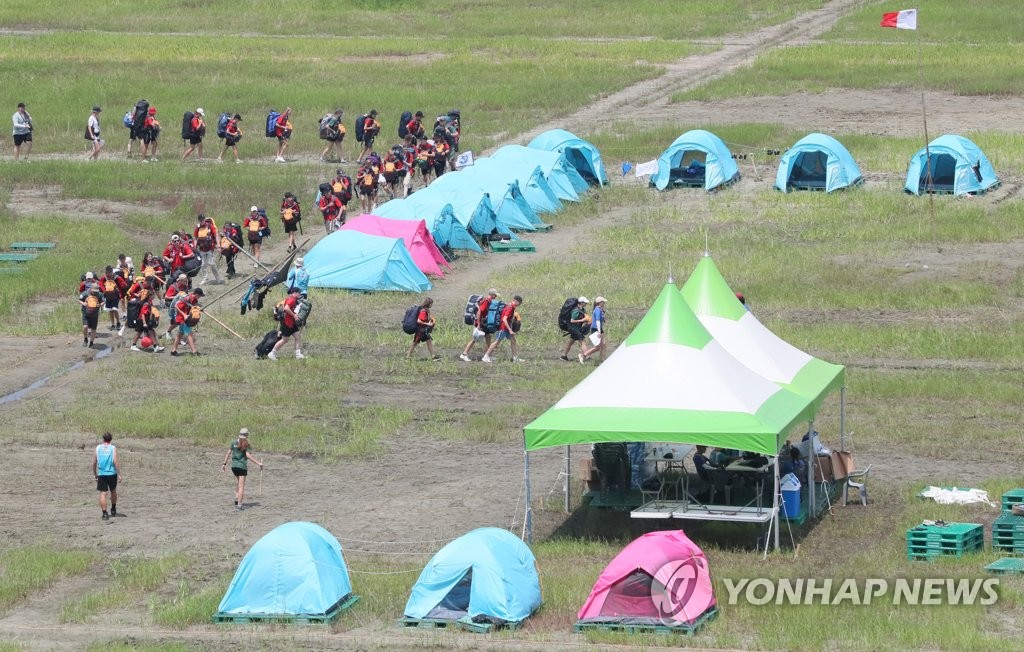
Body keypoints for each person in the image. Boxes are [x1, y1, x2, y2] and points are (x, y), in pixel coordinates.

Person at [222, 428, 263, 509]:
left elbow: (228, 452)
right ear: (247, 435)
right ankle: (239, 505)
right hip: (242, 467)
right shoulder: (246, 444)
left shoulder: (233, 442)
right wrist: (258, 463)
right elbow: (248, 456)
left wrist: (224, 464)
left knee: (238, 483)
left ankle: (237, 499)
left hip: (234, 467)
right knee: (241, 486)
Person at [460, 289, 498, 362]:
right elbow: (479, 312)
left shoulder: (488, 301)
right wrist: (479, 324)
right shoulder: (486, 301)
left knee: (488, 337)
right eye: (495, 295)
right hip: (480, 323)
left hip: (482, 322)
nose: (496, 296)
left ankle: (487, 355)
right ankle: (464, 354)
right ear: (492, 294)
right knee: (475, 338)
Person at [482, 295, 523, 363]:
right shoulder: (510, 307)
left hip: (507, 328)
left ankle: (515, 358)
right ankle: (485, 356)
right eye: (519, 303)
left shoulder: (510, 306)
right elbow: (504, 319)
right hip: (504, 328)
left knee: (513, 341)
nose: (519, 305)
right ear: (516, 301)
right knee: (496, 342)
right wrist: (510, 329)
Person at [268, 286, 306, 360]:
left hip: (291, 322)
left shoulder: (291, 299)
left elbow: (288, 307)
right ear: (294, 293)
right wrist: (294, 315)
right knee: (285, 340)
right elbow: (286, 308)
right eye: (299, 293)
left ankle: (298, 355)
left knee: (297, 336)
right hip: (287, 323)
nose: (300, 294)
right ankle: (272, 353)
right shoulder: (291, 299)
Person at [93, 432, 122, 521]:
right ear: (111, 439)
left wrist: (95, 473)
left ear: (103, 439)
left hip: (102, 474)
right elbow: (115, 461)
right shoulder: (113, 448)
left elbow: (94, 462)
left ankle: (105, 514)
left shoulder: (98, 448)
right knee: (113, 491)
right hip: (112, 474)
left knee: (103, 493)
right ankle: (113, 509)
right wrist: (119, 474)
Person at [170, 288, 204, 357]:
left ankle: (173, 350)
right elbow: (177, 306)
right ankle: (194, 351)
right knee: (189, 334)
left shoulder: (194, 299)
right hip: (182, 318)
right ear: (197, 294)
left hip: (187, 318)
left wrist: (199, 310)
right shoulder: (186, 298)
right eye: (200, 296)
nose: (200, 297)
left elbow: (194, 307)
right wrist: (184, 315)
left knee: (180, 334)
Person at [560, 297, 590, 362]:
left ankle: (564, 356)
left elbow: (585, 317)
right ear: (581, 303)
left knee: (570, 342)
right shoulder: (575, 311)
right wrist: (582, 320)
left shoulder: (582, 309)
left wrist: (587, 320)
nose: (586, 304)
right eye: (585, 303)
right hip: (573, 329)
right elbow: (572, 320)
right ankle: (587, 357)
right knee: (583, 342)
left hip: (577, 329)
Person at [193, 214, 221, 285]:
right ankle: (205, 278)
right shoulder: (198, 227)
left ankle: (217, 278)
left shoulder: (209, 226)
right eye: (200, 220)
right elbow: (195, 238)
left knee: (212, 264)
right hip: (201, 249)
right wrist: (194, 247)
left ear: (204, 219)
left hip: (209, 248)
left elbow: (216, 235)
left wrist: (218, 245)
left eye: (202, 219)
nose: (201, 221)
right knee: (203, 265)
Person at [98, 265, 127, 332]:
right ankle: (113, 324)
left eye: (110, 272)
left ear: (112, 272)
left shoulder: (117, 278)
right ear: (106, 272)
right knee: (110, 310)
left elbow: (124, 284)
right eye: (108, 272)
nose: (109, 274)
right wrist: (104, 290)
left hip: (115, 296)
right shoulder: (104, 278)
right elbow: (100, 284)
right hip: (107, 296)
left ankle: (118, 323)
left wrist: (118, 288)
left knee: (114, 309)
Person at [580, 296, 607, 362]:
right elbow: (597, 321)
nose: (604, 303)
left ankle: (602, 360)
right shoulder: (597, 310)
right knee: (597, 347)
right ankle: (583, 355)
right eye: (603, 302)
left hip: (599, 328)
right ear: (600, 302)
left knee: (604, 345)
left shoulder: (600, 310)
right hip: (596, 329)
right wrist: (599, 331)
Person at [79, 279, 102, 348]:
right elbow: (79, 299)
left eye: (96, 291)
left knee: (93, 329)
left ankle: (91, 342)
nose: (95, 293)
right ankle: (85, 339)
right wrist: (83, 303)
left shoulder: (99, 294)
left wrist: (100, 305)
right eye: (94, 291)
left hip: (94, 314)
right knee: (85, 326)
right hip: (85, 313)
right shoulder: (85, 293)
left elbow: (103, 301)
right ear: (91, 289)